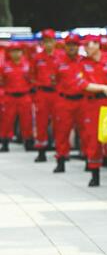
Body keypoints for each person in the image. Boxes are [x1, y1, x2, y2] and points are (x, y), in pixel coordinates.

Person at [53, 34, 107, 173]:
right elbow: (54, 80)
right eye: (69, 45)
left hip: (83, 100)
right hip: (65, 100)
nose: (72, 47)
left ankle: (88, 160)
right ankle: (61, 160)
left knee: (86, 132)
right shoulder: (59, 62)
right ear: (65, 46)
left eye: (75, 45)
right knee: (62, 131)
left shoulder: (85, 61)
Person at [80, 33, 107, 187]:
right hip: (92, 105)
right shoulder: (82, 63)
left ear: (98, 44)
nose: (87, 47)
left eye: (90, 44)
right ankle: (95, 174)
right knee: (93, 140)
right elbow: (83, 84)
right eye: (85, 45)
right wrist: (103, 87)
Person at [0, 43, 34, 152]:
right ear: (9, 53)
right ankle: (5, 143)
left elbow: (32, 79)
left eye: (18, 51)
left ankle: (28, 142)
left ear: (22, 52)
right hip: (9, 97)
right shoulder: (4, 66)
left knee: (27, 121)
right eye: (13, 51)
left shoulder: (28, 65)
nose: (16, 53)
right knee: (6, 121)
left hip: (25, 96)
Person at [32, 29, 58, 162]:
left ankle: (60, 151)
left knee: (59, 122)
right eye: (46, 42)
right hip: (42, 93)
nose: (48, 44)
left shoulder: (60, 56)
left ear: (55, 42)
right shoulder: (37, 58)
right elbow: (32, 75)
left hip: (56, 93)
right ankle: (41, 151)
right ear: (42, 43)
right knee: (41, 122)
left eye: (51, 41)